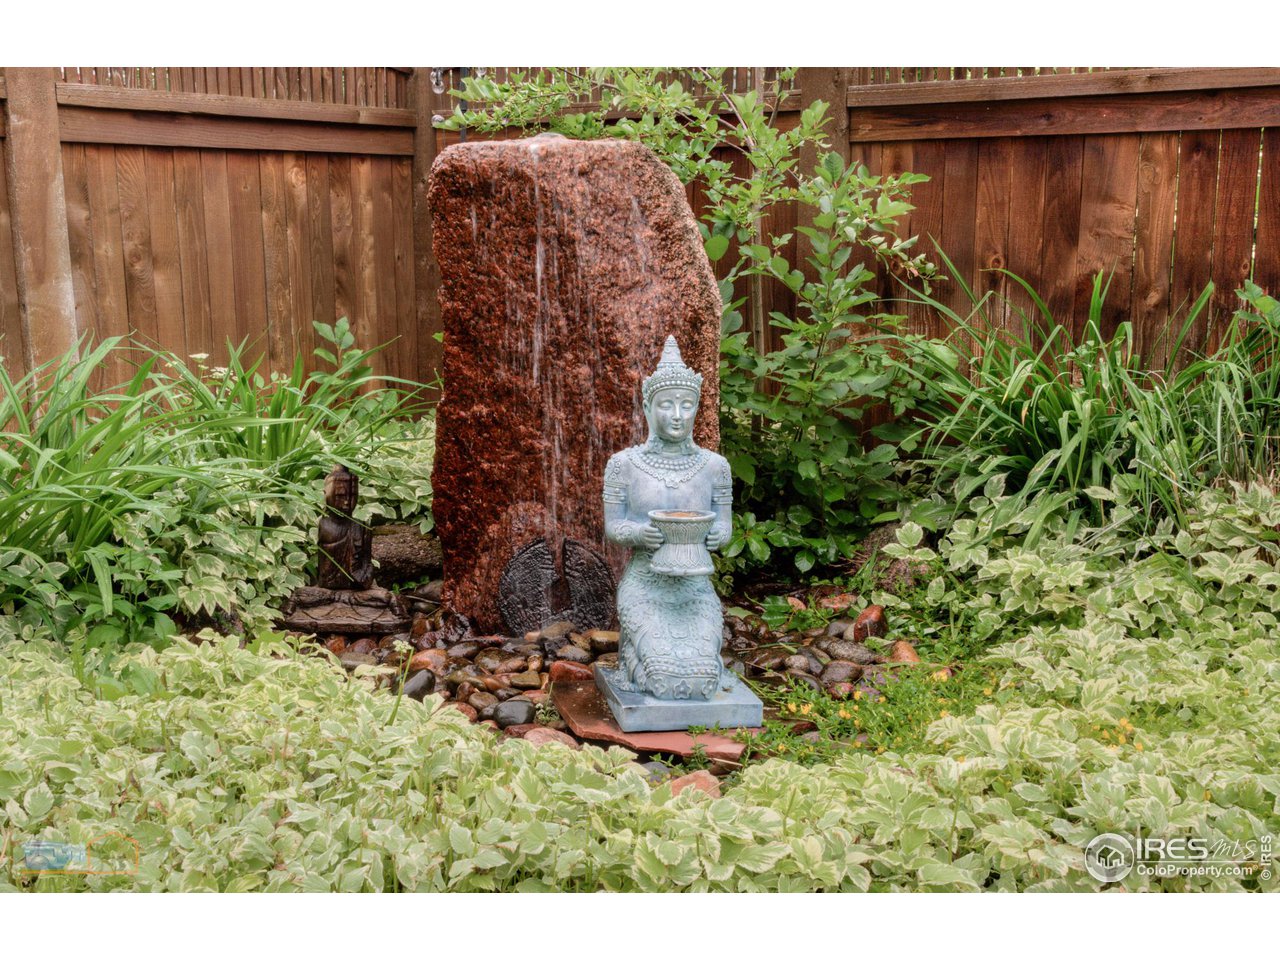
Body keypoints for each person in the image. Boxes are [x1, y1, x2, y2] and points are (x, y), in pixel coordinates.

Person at [601, 336, 732, 700]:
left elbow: (724, 525)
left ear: (697, 408)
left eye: (686, 405)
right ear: (647, 407)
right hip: (646, 582)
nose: (677, 415)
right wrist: (641, 534)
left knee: (701, 677)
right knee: (664, 678)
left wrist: (716, 536)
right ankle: (635, 659)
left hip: (695, 587)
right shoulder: (624, 465)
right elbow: (614, 527)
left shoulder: (714, 467)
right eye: (667, 405)